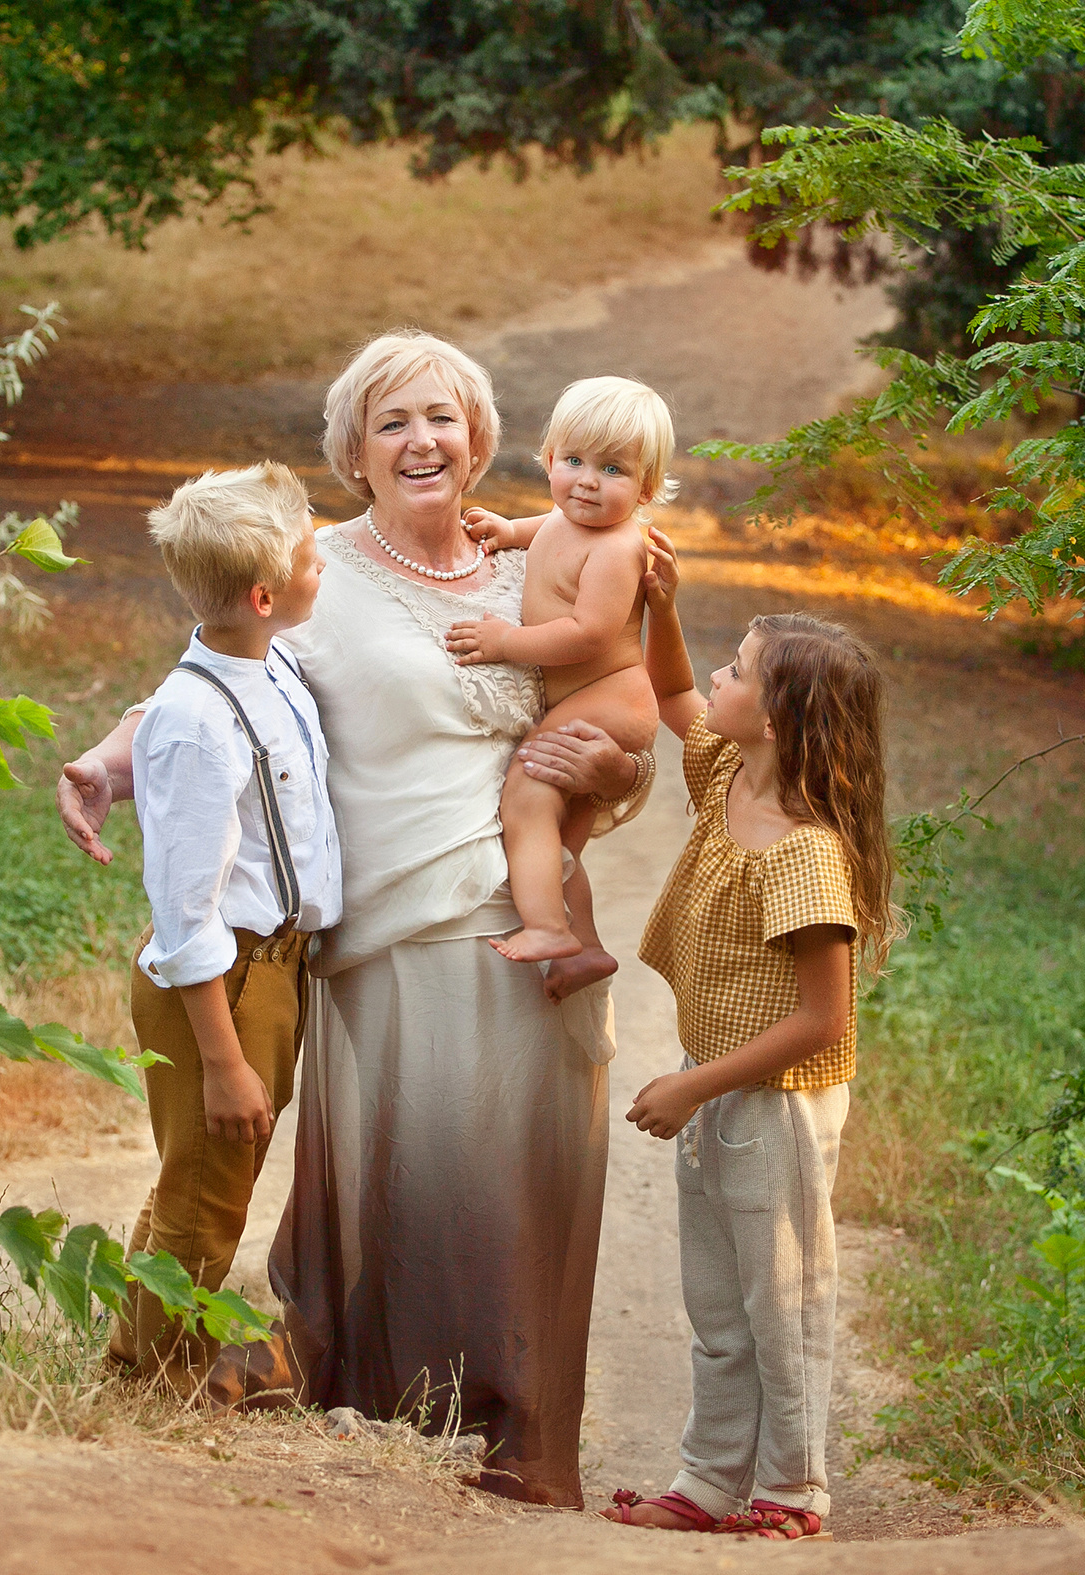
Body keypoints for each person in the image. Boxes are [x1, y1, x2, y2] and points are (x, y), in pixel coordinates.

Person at [56, 332, 657, 1506]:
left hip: (528, 924)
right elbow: (210, 680)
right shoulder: (315, 570)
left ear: (481, 440)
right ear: (352, 453)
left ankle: (528, 1445)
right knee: (413, 1192)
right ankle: (349, 1395)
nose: (422, 441)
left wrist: (616, 773)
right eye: (391, 423)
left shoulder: (535, 569)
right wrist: (104, 756)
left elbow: (622, 710)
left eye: (442, 417)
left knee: (530, 1188)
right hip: (387, 935)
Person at [600, 592, 904, 1542]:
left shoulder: (806, 854)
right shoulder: (730, 766)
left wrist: (693, 1085)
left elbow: (824, 1018)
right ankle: (709, 1477)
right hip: (721, 1080)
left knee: (784, 1299)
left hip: (779, 1105)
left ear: (777, 717)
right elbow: (673, 686)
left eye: (740, 671)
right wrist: (661, 604)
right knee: (718, 1298)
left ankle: (795, 1486)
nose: (718, 681)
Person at [59, 462, 340, 1392]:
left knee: (203, 1179)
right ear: (264, 594)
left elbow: (165, 712)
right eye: (310, 549)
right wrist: (223, 1059)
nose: (322, 551)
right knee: (206, 1190)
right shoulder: (193, 723)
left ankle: (149, 1352)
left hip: (274, 971)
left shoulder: (266, 656)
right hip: (217, 989)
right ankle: (150, 1379)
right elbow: (186, 917)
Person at [446, 376, 673, 980]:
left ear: (646, 487)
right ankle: (588, 947)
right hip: (595, 701)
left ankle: (546, 926)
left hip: (610, 699)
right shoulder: (566, 519)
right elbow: (543, 529)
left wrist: (506, 643)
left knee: (524, 796)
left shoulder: (622, 547)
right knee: (561, 840)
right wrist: (505, 530)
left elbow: (589, 634)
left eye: (613, 470)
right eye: (573, 461)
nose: (588, 481)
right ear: (549, 460)